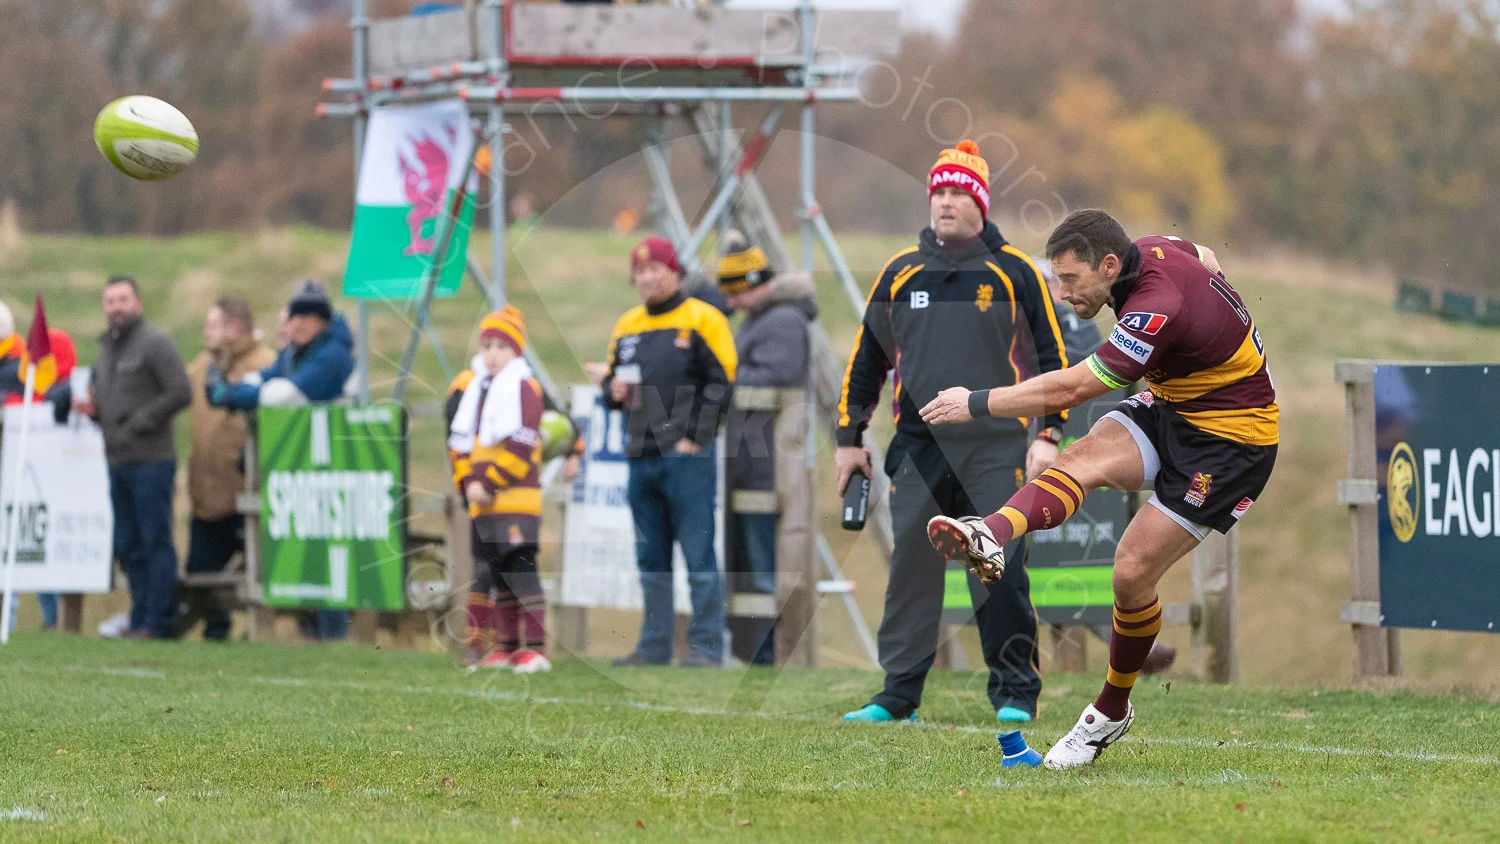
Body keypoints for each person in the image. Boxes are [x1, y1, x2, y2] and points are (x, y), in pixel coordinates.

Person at [922, 209, 1277, 769]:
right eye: (1057, 279)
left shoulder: (1154, 305)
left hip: (1233, 442)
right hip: (1176, 407)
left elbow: (1076, 384)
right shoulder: (1155, 249)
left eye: (1071, 280)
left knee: (1130, 572)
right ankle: (988, 533)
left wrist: (976, 401)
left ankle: (1109, 710)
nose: (1063, 294)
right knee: (1078, 458)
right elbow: (1205, 254)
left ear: (1109, 265)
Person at [835, 140, 1069, 724]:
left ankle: (1015, 694)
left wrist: (1050, 433)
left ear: (980, 204)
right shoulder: (899, 271)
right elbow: (867, 363)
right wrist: (848, 440)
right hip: (916, 449)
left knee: (999, 565)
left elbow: (1052, 361)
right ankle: (898, 697)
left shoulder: (1016, 272)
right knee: (910, 570)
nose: (944, 202)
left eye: (957, 192)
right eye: (937, 191)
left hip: (996, 447)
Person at [1034, 260, 1177, 676]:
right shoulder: (1040, 321)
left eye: (1058, 281)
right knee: (1045, 551)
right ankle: (1121, 644)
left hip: (1091, 441)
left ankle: (1123, 641)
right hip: (1052, 446)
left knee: (1093, 552)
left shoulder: (1076, 321)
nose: (1058, 292)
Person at [601, 236, 737, 667]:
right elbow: (609, 386)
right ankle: (654, 645)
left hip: (686, 457)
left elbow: (723, 383)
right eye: (639, 272)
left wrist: (694, 437)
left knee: (698, 553)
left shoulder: (703, 318)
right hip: (640, 455)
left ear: (674, 272)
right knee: (651, 557)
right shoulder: (626, 326)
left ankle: (706, 646)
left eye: (654, 269)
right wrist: (612, 389)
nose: (646, 278)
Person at [207, 281, 354, 640]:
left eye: (306, 317)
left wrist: (229, 392)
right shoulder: (297, 353)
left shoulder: (333, 355)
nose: (296, 325)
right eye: (294, 317)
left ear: (322, 321)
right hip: (309, 471)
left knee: (332, 557)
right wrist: (238, 391)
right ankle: (318, 632)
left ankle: (335, 637)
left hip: (337, 469)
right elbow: (264, 379)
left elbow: (283, 395)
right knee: (312, 554)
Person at [716, 231, 817, 665]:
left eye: (735, 293)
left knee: (762, 563)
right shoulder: (763, 318)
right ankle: (752, 651)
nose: (732, 303)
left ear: (752, 286)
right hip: (753, 459)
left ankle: (763, 654)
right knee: (751, 560)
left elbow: (774, 377)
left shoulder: (782, 322)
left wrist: (723, 379)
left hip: (767, 463)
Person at [87, 276, 193, 639]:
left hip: (152, 462)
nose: (116, 307)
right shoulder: (106, 349)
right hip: (117, 462)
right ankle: (140, 615)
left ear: (138, 302)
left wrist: (140, 421)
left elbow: (180, 391)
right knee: (128, 544)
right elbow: (109, 402)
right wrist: (92, 410)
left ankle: (160, 621)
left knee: (154, 540)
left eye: (123, 299)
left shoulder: (155, 343)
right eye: (110, 301)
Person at [448, 306, 551, 673]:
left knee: (521, 571)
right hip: (483, 504)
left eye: (501, 347)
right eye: (487, 345)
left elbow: (523, 445)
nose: (492, 354)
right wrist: (467, 484)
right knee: (498, 576)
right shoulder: (477, 391)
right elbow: (462, 443)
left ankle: (536, 648)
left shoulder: (526, 389)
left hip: (515, 499)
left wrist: (486, 482)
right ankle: (506, 648)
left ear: (517, 352)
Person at [181, 297, 275, 641]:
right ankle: (215, 633)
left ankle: (264, 635)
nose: (206, 333)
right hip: (208, 496)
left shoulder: (266, 366)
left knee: (262, 574)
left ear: (233, 328)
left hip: (251, 495)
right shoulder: (201, 367)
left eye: (212, 325)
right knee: (202, 575)